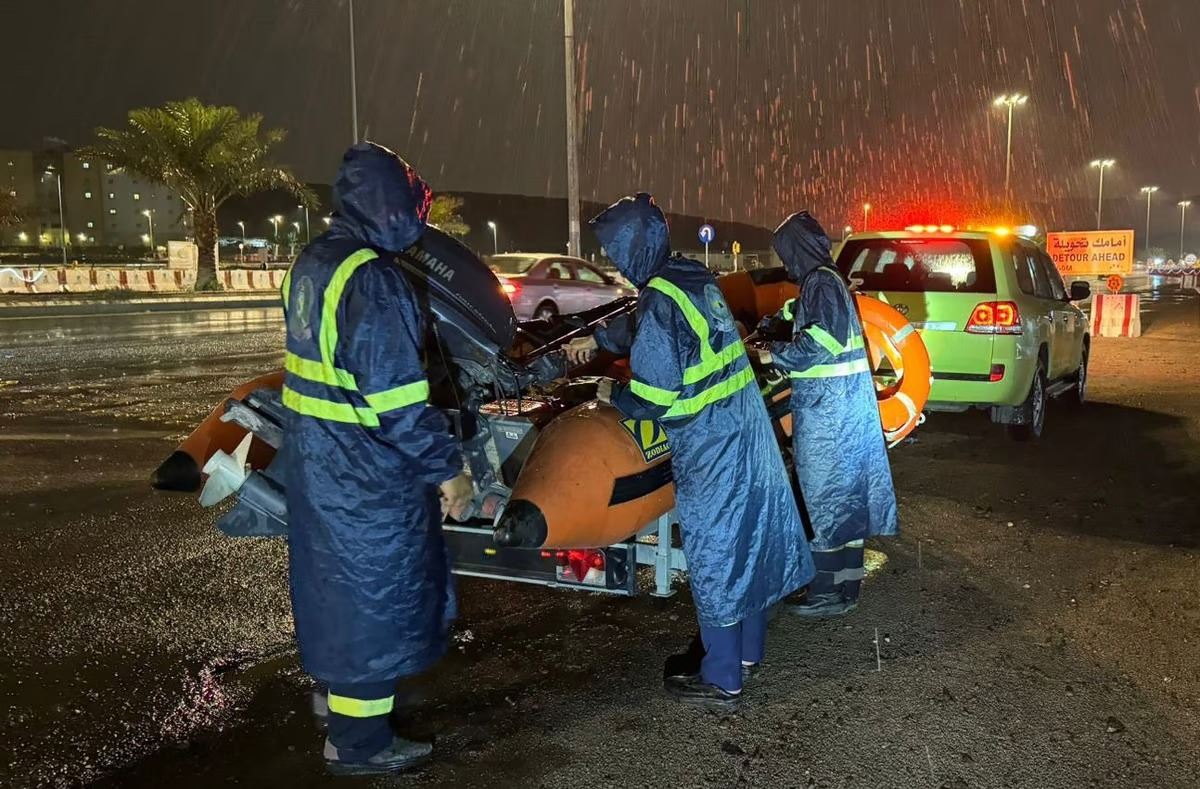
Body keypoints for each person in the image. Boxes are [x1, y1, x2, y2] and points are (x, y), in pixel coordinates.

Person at [280, 142, 473, 775]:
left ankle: (344, 720)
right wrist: (449, 470)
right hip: (368, 475)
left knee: (342, 598)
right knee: (377, 604)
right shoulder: (375, 280)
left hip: (323, 466)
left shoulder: (315, 263)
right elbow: (399, 405)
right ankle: (359, 745)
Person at [585, 193, 814, 711]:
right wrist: (607, 336)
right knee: (749, 543)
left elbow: (654, 396)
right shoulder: (690, 276)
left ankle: (722, 678)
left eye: (616, 251)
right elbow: (672, 333)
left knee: (717, 556)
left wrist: (612, 394)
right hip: (747, 435)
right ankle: (747, 654)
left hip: (712, 449)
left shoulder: (658, 299)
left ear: (632, 248)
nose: (616, 261)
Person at [754, 211, 898, 617]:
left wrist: (770, 354)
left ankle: (824, 593)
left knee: (825, 500)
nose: (786, 263)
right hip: (845, 410)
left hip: (827, 416)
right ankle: (846, 588)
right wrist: (779, 323)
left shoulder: (820, 282)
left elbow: (819, 345)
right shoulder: (829, 281)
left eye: (786, 254)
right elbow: (814, 323)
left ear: (798, 250)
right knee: (847, 500)